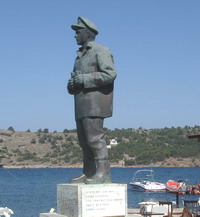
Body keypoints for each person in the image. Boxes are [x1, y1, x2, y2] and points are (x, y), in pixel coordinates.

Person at [67, 16, 116, 184]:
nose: (75, 35)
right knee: (84, 142)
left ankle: (103, 174)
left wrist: (83, 79)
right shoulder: (79, 57)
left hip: (95, 105)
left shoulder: (100, 51)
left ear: (87, 33)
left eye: (78, 32)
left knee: (95, 139)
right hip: (81, 106)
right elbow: (76, 80)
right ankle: (88, 172)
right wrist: (72, 84)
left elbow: (110, 75)